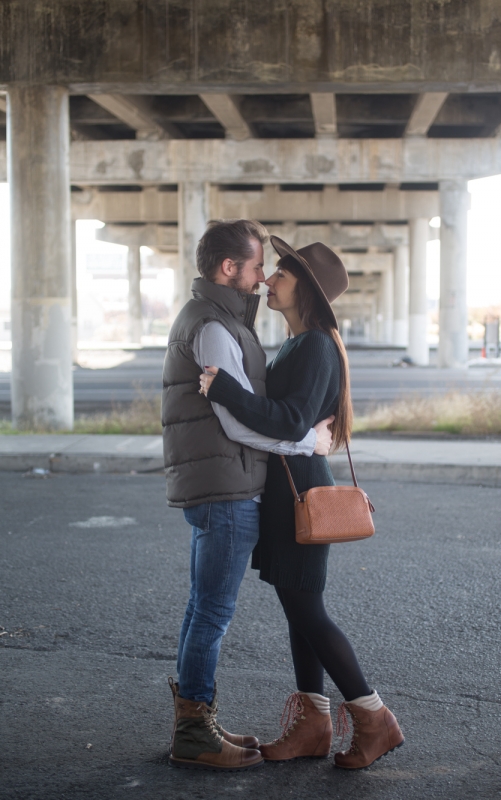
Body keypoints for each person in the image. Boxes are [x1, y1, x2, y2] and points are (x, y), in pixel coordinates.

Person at [200, 235, 404, 770]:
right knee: (298, 609)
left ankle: (374, 716)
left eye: (280, 275)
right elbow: (290, 420)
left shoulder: (314, 345)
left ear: (305, 290)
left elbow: (291, 422)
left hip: (302, 491)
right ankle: (313, 725)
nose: (267, 281)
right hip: (287, 489)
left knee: (308, 609)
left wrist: (223, 388)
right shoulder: (296, 344)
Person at [162, 220, 334, 771]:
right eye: (258, 266)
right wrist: (309, 439)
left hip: (224, 484)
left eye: (270, 269)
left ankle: (197, 722)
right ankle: (195, 733)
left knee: (203, 609)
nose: (263, 279)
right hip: (227, 487)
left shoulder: (222, 321)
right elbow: (236, 425)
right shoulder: (212, 326)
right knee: (212, 611)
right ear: (228, 269)